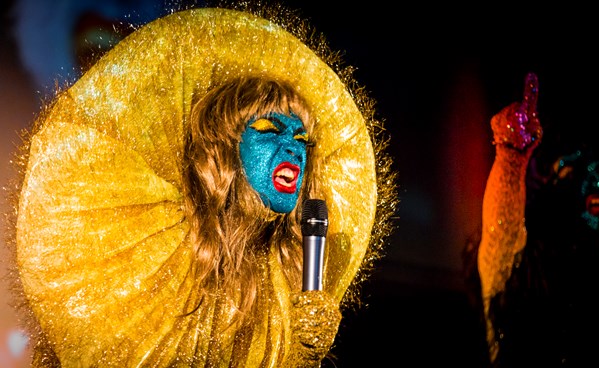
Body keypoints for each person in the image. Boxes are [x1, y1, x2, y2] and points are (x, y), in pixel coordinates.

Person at [5, 4, 398, 367]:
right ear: (221, 147)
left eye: (301, 140)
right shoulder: (156, 248)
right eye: (267, 128)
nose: (291, 149)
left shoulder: (286, 276)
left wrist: (299, 346)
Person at [467, 72, 599, 367]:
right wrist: (511, 156)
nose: (597, 190)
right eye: (567, 173)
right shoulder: (530, 268)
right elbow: (502, 241)